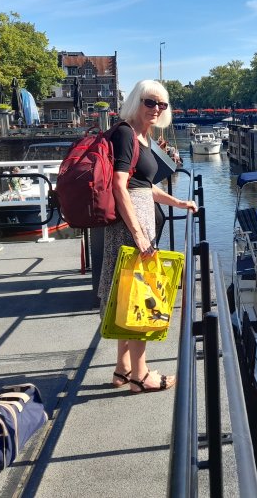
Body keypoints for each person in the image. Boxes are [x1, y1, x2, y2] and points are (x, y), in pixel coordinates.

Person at [97, 79, 198, 393]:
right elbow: (119, 184)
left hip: (136, 222)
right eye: (150, 102)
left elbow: (143, 186)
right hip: (132, 228)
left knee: (128, 298)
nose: (156, 109)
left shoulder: (141, 135)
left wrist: (178, 202)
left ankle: (123, 370)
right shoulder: (127, 133)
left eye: (162, 104)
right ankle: (141, 376)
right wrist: (139, 235)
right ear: (136, 102)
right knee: (141, 299)